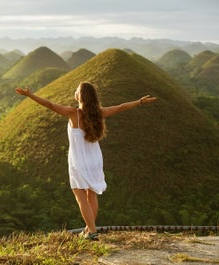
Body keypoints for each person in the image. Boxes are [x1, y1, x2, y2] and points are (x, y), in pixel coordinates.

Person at [15, 81, 156, 240]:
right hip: (95, 159)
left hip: (79, 161)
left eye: (76, 90)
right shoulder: (99, 113)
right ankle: (89, 230)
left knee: (80, 196)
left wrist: (30, 95)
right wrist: (140, 101)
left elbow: (49, 104)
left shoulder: (73, 113)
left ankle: (92, 232)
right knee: (92, 196)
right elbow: (121, 107)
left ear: (79, 96)